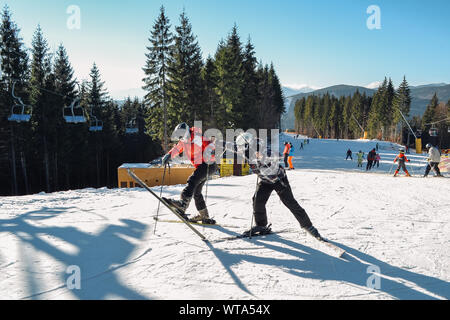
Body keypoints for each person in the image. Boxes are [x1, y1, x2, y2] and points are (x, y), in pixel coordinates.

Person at [238, 135, 322, 239]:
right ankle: (261, 225)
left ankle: (308, 226)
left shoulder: (261, 149)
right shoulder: (246, 152)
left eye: (242, 147)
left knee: (290, 202)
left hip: (279, 180)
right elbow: (229, 146)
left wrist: (262, 156)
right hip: (265, 181)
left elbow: (276, 156)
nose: (240, 149)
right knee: (257, 200)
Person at [161, 123, 217, 223]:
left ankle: (183, 204)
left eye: (183, 135)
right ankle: (204, 216)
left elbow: (209, 143)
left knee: (192, 180)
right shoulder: (183, 141)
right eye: (180, 136)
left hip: (208, 164)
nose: (182, 138)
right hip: (201, 166)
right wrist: (169, 155)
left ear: (187, 132)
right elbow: (177, 148)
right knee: (196, 192)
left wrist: (210, 150)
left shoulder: (197, 136)